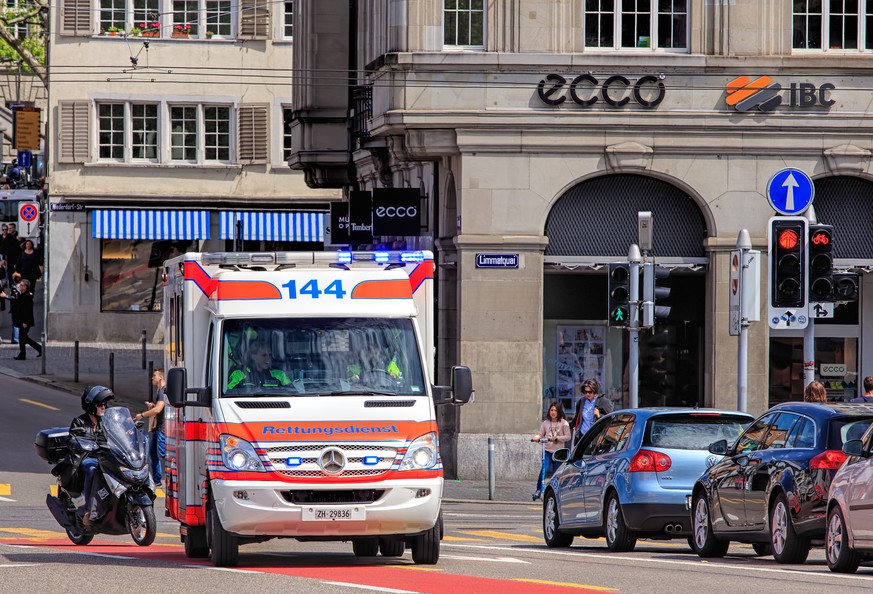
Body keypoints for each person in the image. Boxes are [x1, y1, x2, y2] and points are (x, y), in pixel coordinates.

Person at [69, 386, 114, 527]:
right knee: (93, 470)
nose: (103, 407)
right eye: (100, 404)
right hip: (87, 458)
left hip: (106, 457)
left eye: (105, 404)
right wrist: (82, 443)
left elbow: (118, 434)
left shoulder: (107, 421)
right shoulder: (79, 422)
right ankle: (89, 509)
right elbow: (74, 439)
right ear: (90, 406)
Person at [531, 401, 571, 500]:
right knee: (546, 468)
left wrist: (557, 438)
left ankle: (557, 491)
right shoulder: (545, 423)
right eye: (551, 410)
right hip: (547, 450)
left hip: (558, 452)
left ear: (559, 412)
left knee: (557, 473)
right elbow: (540, 434)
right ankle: (539, 489)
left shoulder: (564, 423)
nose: (553, 412)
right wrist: (536, 438)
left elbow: (568, 436)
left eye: (555, 410)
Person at [135, 368, 166, 485]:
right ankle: (157, 480)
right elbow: (158, 406)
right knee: (153, 453)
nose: (152, 378)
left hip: (162, 428)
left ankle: (168, 477)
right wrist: (152, 405)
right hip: (157, 427)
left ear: (161, 377)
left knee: (162, 453)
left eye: (154, 376)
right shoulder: (159, 391)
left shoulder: (163, 391)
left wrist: (142, 415)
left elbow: (158, 409)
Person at [227, 341, 292, 389]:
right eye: (264, 355)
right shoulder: (239, 374)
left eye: (270, 355)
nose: (268, 359)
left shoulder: (279, 374)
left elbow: (291, 390)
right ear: (253, 356)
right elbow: (227, 393)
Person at [2, 277, 40, 359]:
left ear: (26, 287)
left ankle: (22, 355)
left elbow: (27, 311)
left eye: (22, 285)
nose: (20, 286)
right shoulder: (22, 295)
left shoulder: (27, 297)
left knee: (22, 338)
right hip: (22, 321)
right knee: (24, 338)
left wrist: (25, 322)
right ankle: (39, 349)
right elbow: (16, 302)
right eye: (20, 285)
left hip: (25, 321)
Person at [571, 378, 614, 443]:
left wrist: (599, 415)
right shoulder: (582, 401)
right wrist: (566, 426)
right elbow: (577, 418)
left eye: (590, 392)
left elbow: (611, 418)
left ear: (595, 391)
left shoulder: (603, 401)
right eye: (585, 392)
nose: (587, 394)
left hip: (597, 437)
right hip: (583, 436)